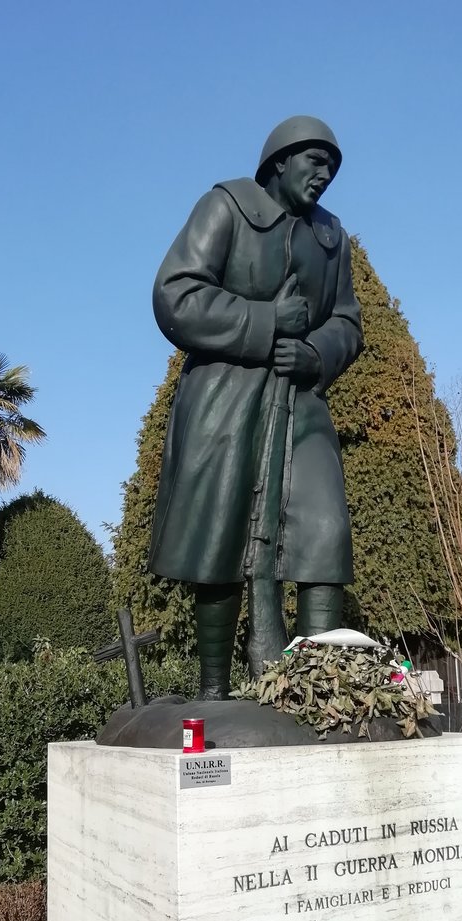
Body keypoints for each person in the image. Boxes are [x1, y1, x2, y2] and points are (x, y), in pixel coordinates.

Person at [149, 116, 363, 699]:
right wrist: (266, 324)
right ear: (279, 161)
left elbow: (347, 320)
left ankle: (319, 690)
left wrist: (315, 354)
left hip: (301, 400)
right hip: (226, 401)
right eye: (315, 161)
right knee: (221, 539)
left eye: (333, 167)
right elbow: (176, 294)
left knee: (324, 526)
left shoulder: (332, 238)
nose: (325, 175)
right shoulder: (227, 207)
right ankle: (214, 689)